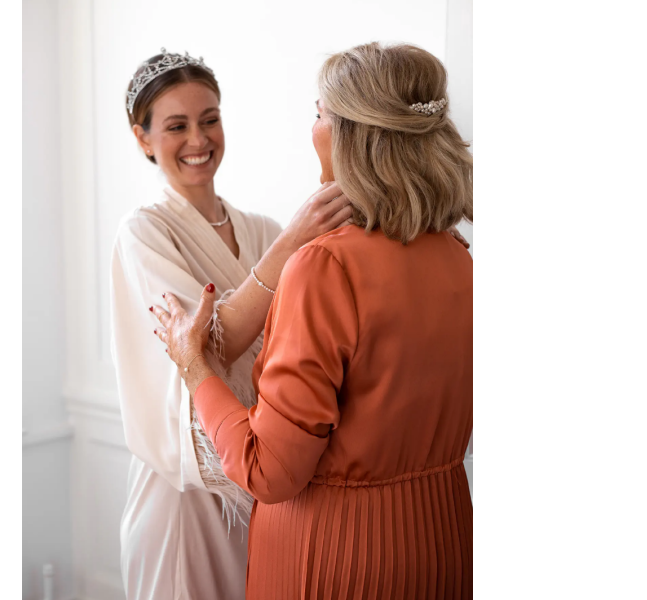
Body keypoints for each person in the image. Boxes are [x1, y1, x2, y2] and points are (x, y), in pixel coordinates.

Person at [152, 42, 474, 599]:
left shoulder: (325, 267)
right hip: (445, 541)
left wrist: (194, 365)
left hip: (337, 559)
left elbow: (268, 471)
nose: (313, 128)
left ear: (351, 133)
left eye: (319, 113)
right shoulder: (456, 256)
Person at [110, 48, 357, 600]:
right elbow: (201, 348)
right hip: (184, 498)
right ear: (143, 138)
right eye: (177, 126)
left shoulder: (262, 229)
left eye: (210, 119)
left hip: (259, 471)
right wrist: (293, 241)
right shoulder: (144, 233)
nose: (198, 140)